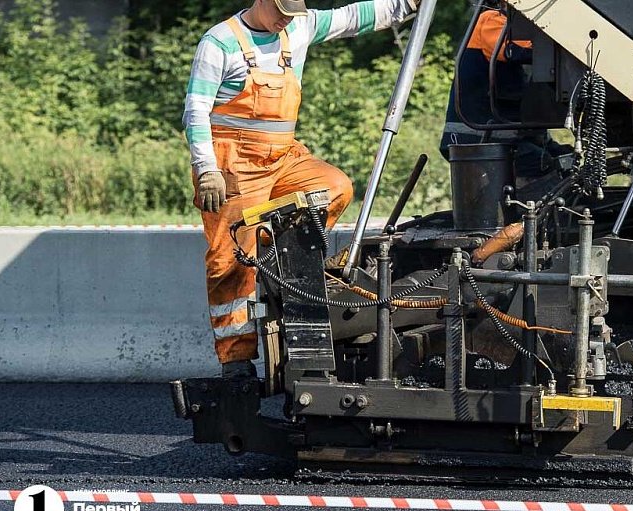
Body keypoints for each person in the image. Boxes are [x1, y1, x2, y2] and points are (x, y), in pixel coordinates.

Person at [183, 0, 418, 378]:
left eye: (291, 14)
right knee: (229, 262)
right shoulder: (221, 42)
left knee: (334, 187)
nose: (284, 21)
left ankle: (286, 266)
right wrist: (206, 169)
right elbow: (195, 110)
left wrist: (407, 3)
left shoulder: (296, 27)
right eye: (280, 13)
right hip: (234, 168)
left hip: (284, 160)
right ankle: (236, 361)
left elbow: (352, 18)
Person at [439, 8, 568, 182]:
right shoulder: (490, 20)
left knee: (565, 160)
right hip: (477, 139)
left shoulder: (526, 28)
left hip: (506, 137)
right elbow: (516, 50)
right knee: (543, 167)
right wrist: (570, 43)